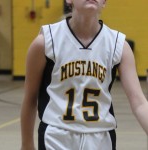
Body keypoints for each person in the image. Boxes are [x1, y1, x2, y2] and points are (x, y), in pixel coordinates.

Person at [21, 0, 148, 150]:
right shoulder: (46, 41)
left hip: (101, 138)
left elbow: (139, 102)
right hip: (56, 137)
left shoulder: (118, 44)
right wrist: (27, 144)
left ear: (104, 2)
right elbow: (30, 98)